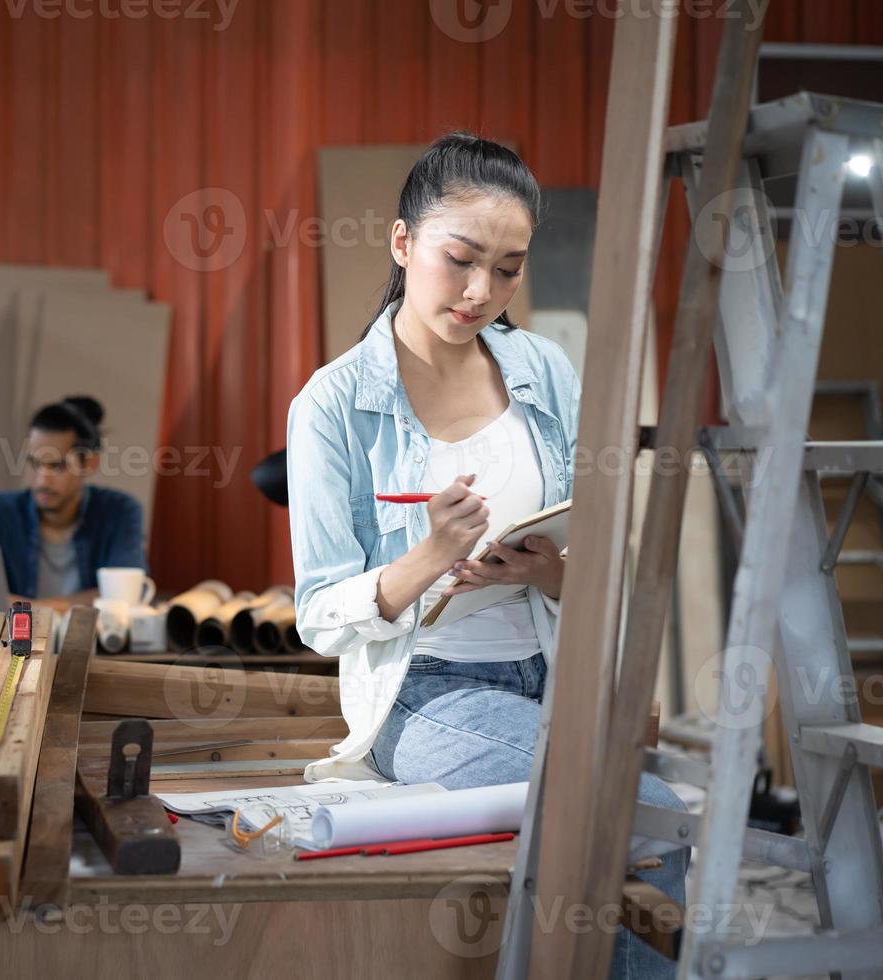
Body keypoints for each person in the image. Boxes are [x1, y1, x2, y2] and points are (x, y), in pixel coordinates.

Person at [286, 132, 687, 979]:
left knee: (640, 833)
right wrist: (432, 554)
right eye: (459, 260)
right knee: (642, 816)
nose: (481, 292)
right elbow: (320, 617)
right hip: (427, 692)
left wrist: (547, 569)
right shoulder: (332, 404)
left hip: (555, 677)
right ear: (403, 244)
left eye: (508, 269)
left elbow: (595, 552)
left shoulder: (543, 367)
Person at [0, 396, 145, 609]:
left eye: (57, 466)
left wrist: (29, 609)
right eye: (34, 463)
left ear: (90, 463)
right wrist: (52, 610)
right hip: (6, 641)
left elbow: (123, 595)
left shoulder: (119, 511)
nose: (42, 479)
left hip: (87, 640)